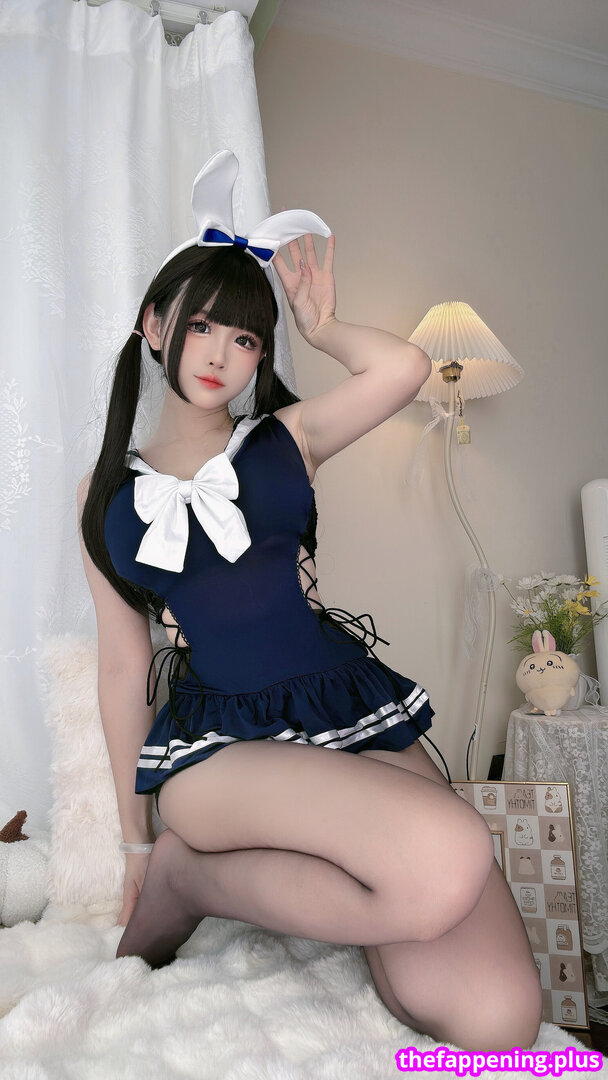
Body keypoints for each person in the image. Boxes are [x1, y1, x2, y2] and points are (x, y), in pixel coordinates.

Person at [77, 151, 542, 1052]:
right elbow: (122, 668)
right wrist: (137, 843)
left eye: (246, 338)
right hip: (220, 750)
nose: (223, 353)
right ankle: (187, 877)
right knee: (450, 852)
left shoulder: (287, 438)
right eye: (202, 325)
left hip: (344, 705)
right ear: (155, 326)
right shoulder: (106, 497)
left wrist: (322, 328)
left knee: (500, 1021)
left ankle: (345, 881)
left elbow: (404, 367)